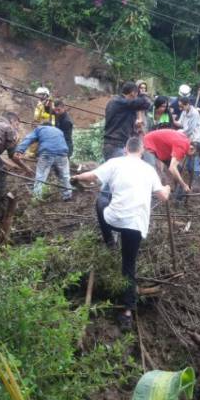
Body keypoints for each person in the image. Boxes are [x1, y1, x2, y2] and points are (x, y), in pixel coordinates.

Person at [71, 137, 170, 330]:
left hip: (114, 219)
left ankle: (109, 240)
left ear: (126, 149)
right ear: (141, 151)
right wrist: (167, 187)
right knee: (128, 265)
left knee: (101, 202)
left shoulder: (115, 162)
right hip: (136, 225)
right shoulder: (149, 170)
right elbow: (163, 196)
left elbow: (91, 176)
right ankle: (126, 312)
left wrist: (75, 178)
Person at [14, 124, 72, 201]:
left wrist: (19, 150)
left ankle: (37, 197)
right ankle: (67, 196)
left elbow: (29, 138)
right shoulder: (59, 131)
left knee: (40, 176)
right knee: (65, 175)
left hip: (47, 153)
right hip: (62, 154)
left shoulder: (39, 129)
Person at [103, 81, 151, 161]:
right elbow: (145, 104)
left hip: (114, 144)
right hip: (116, 145)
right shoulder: (120, 102)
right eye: (136, 95)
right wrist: (143, 95)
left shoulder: (117, 102)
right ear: (133, 93)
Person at [142, 129, 194, 193]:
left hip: (162, 149)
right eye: (194, 155)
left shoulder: (186, 141)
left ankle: (177, 194)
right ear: (192, 148)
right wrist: (183, 185)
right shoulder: (182, 146)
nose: (192, 157)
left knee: (178, 169)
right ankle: (156, 195)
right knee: (154, 171)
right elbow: (172, 168)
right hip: (149, 143)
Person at [175, 96, 200, 190]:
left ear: (187, 104)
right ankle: (191, 181)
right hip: (188, 140)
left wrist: (178, 133)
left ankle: (196, 184)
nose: (180, 108)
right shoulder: (184, 112)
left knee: (195, 163)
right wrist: (172, 119)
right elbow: (180, 123)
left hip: (196, 140)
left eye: (181, 106)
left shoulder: (194, 113)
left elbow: (189, 130)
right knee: (189, 164)